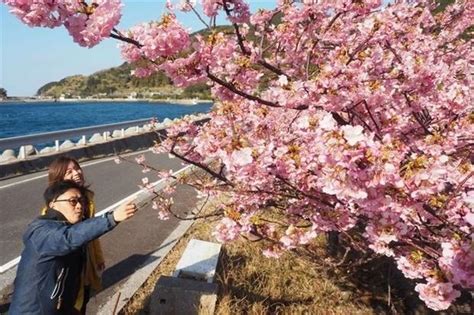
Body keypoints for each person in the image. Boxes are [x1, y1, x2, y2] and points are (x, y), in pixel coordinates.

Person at [9, 180, 137, 314]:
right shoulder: (41, 230)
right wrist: (112, 218)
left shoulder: (69, 226)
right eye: (72, 201)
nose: (79, 206)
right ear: (53, 204)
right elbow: (68, 239)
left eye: (81, 201)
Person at [43, 156, 104, 312]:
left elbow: (92, 232)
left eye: (77, 168)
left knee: (83, 300)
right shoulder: (53, 209)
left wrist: (97, 258)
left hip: (84, 261)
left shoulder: (88, 199)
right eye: (69, 171)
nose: (77, 173)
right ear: (59, 178)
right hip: (65, 268)